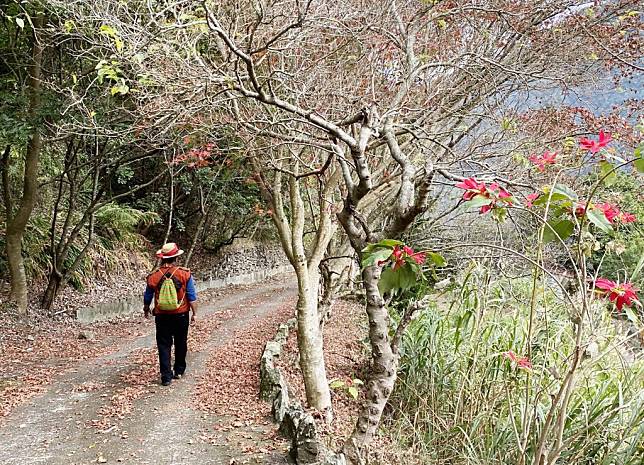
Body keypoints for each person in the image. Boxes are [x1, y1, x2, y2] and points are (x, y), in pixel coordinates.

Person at [143, 242, 198, 386]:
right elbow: (191, 296)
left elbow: (148, 295)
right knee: (181, 341)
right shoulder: (185, 274)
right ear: (175, 258)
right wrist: (195, 313)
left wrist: (146, 308)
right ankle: (179, 370)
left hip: (162, 315)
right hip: (181, 314)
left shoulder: (153, 276)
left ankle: (166, 377)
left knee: (164, 344)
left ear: (162, 258)